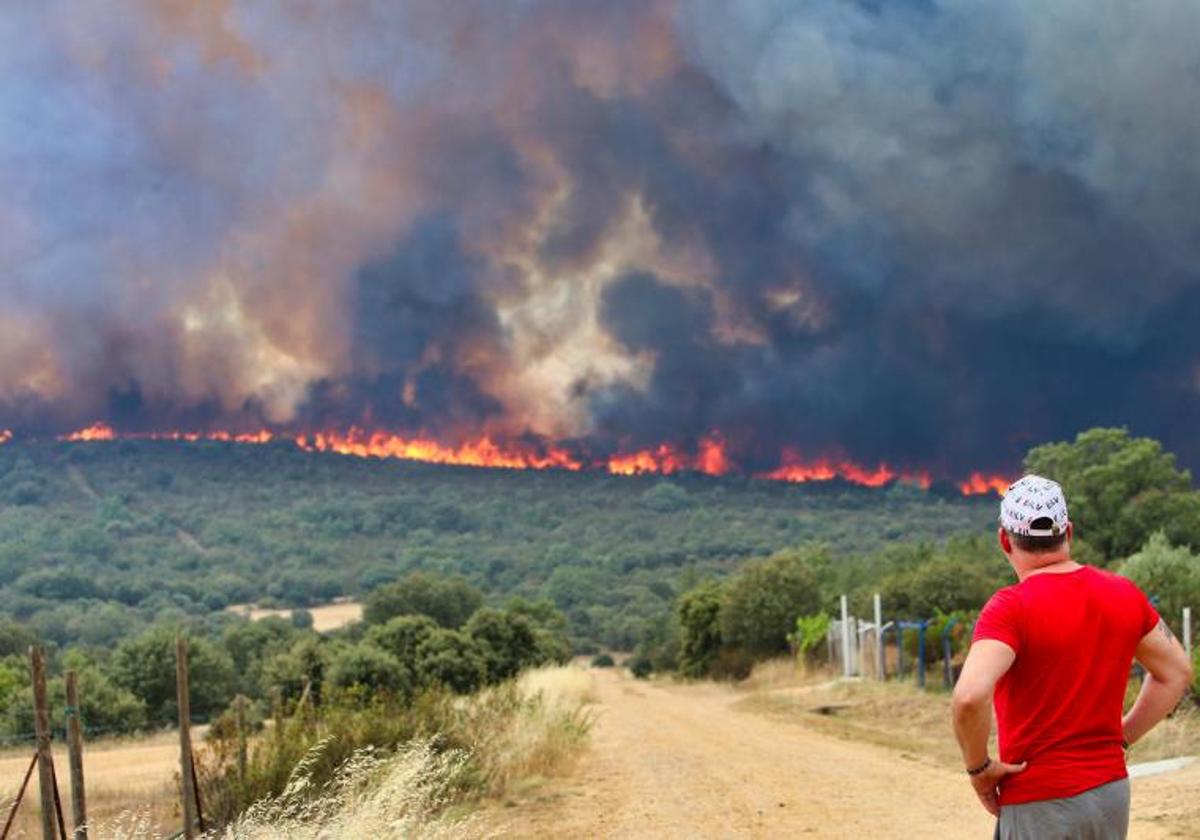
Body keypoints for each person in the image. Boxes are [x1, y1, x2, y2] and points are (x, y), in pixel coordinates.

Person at [951, 474, 1194, 839]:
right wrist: (1121, 738)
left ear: (1005, 539)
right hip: (1110, 793)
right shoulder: (1123, 593)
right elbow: (1176, 671)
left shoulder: (1010, 608)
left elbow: (969, 697)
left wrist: (979, 769)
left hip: (1040, 800)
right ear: (1069, 532)